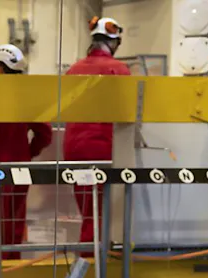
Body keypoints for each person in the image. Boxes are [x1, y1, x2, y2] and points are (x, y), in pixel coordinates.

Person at [0, 44, 53, 260]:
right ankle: (12, 273)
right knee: (13, 227)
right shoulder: (27, 98)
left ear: (0, 69)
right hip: (19, 172)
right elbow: (45, 135)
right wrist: (26, 153)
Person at [65, 17, 130, 245]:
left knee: (87, 208)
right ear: (114, 42)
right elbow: (128, 111)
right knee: (99, 212)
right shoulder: (118, 69)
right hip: (101, 147)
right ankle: (93, 263)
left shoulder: (74, 69)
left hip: (73, 149)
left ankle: (90, 258)